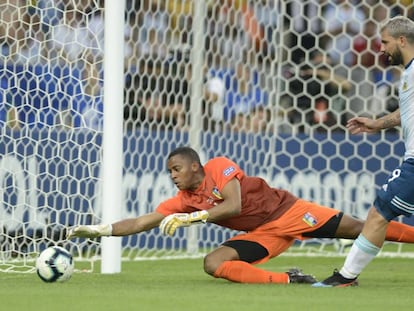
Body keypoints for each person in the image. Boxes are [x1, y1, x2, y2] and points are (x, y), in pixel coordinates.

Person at [67, 146, 414, 285]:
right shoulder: (185, 198)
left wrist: (194, 218)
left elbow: (232, 205)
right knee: (213, 263)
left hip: (289, 211)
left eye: (176, 169)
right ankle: (292, 280)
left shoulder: (218, 168)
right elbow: (142, 222)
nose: (173, 176)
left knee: (360, 228)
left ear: (194, 166)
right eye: (169, 171)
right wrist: (100, 230)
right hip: (263, 234)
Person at [313, 16, 414, 288]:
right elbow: (405, 113)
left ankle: (345, 277)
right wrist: (376, 123)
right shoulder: (409, 74)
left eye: (385, 42)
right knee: (379, 214)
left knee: (379, 213)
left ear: (402, 41)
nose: (380, 48)